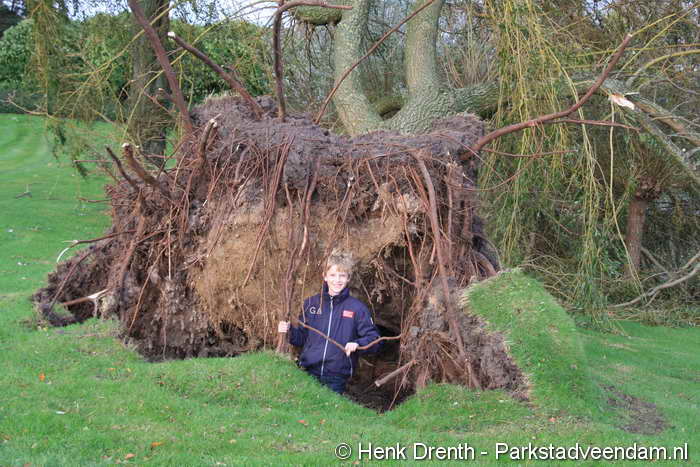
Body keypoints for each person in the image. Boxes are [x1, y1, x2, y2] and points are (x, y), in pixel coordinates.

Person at [278, 251, 381, 394]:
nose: (337, 280)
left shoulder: (357, 308)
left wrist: (358, 343)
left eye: (342, 276)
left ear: (348, 278)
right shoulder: (311, 303)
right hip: (307, 371)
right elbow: (301, 338)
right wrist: (288, 331)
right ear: (325, 276)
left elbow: (375, 340)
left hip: (336, 377)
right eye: (332, 275)